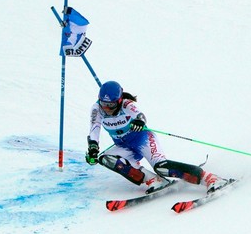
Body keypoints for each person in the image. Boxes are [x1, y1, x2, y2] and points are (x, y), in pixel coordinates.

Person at [85, 80, 222, 192]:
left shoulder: (127, 105)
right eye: (103, 103)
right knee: (106, 159)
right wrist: (93, 148)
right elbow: (94, 128)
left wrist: (139, 121)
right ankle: (153, 180)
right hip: (124, 146)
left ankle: (209, 178)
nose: (106, 108)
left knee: (161, 167)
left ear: (119, 100)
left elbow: (140, 115)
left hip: (142, 140)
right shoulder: (97, 109)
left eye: (111, 105)